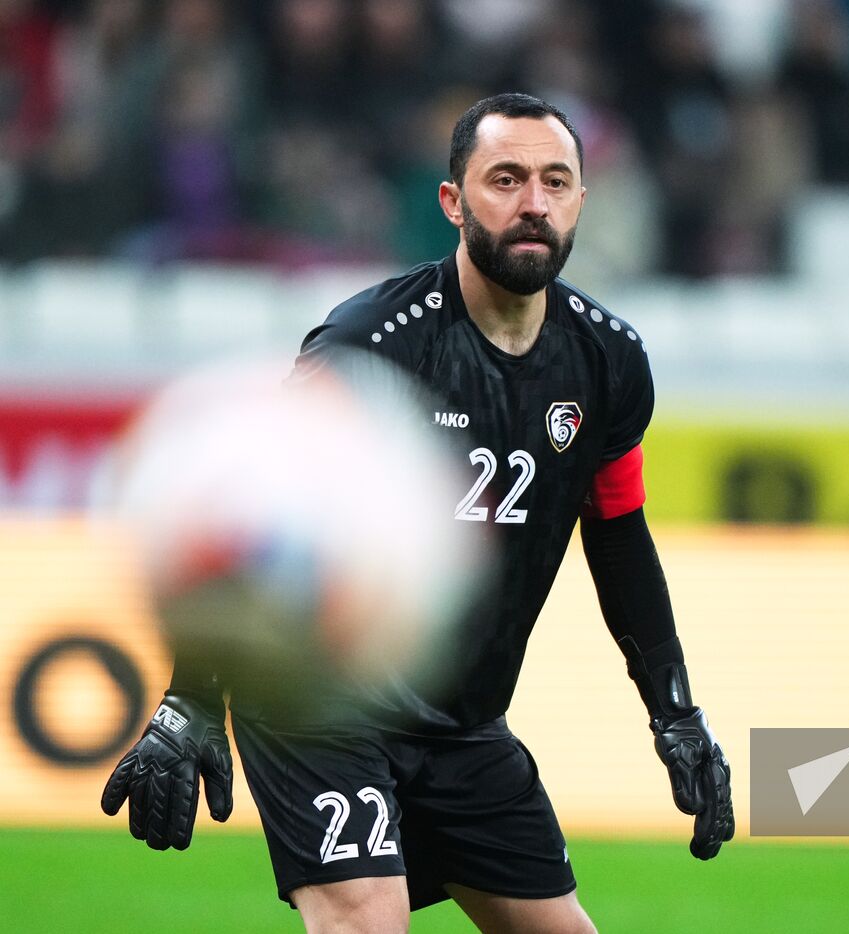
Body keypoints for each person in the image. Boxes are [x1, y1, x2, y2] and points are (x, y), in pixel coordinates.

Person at [99, 92, 734, 934]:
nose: (533, 203)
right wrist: (191, 697)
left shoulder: (609, 362)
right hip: (323, 698)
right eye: (505, 179)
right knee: (368, 919)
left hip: (464, 722)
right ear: (453, 202)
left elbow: (617, 535)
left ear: (583, 200)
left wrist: (675, 711)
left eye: (555, 181)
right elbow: (240, 514)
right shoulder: (372, 345)